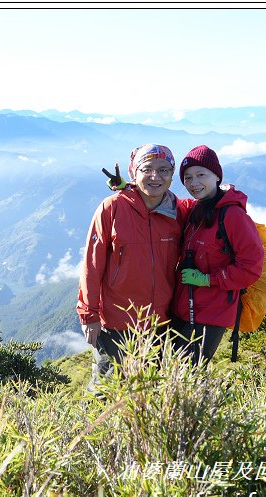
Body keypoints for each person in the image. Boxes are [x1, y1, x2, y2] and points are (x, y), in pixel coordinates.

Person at [77, 144, 191, 392]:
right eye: (147, 169)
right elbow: (91, 264)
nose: (155, 177)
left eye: (163, 170)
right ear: (134, 173)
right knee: (106, 393)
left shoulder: (179, 213)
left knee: (148, 393)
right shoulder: (112, 208)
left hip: (160, 324)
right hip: (116, 324)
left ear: (172, 175)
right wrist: (89, 315)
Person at [169, 145, 264, 366]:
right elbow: (166, 201)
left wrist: (207, 280)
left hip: (211, 315)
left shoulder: (233, 216)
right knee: (165, 370)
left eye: (201, 174)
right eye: (188, 178)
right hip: (182, 308)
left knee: (185, 375)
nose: (194, 183)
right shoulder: (194, 209)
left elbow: (250, 268)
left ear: (216, 176)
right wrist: (132, 188)